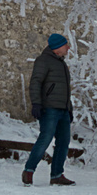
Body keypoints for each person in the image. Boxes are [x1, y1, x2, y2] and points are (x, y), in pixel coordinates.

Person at [23, 33, 75, 186]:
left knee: (64, 142)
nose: (68, 48)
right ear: (58, 47)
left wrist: (69, 109)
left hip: (63, 110)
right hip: (49, 109)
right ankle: (28, 171)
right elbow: (36, 82)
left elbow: (65, 90)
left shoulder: (61, 63)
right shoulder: (44, 61)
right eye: (66, 44)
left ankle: (57, 175)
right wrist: (37, 104)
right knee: (45, 139)